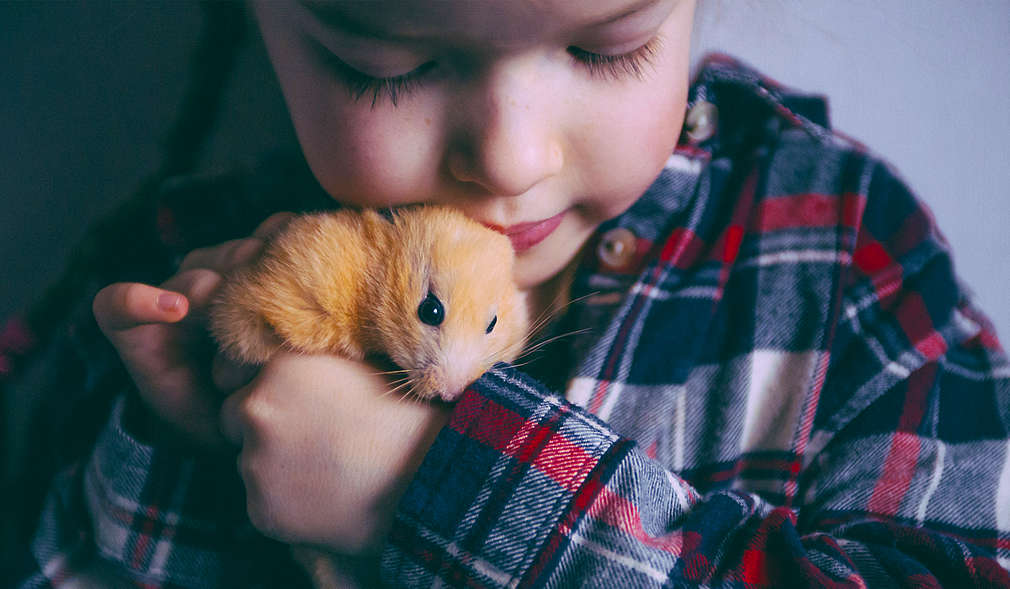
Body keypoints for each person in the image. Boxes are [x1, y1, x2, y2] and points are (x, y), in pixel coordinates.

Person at [9, 0, 1009, 586]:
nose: (509, 157)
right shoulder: (172, 265)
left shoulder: (843, 252)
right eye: (386, 62)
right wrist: (189, 456)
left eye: (604, 45)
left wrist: (429, 482)